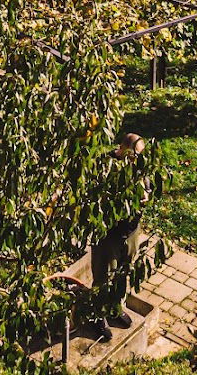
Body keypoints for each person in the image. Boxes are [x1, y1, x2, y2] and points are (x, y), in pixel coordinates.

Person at [88, 132, 148, 342]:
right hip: (108, 235)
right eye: (133, 155)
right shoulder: (105, 167)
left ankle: (115, 307)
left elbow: (147, 188)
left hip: (131, 231)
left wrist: (145, 196)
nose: (136, 160)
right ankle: (98, 315)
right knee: (103, 276)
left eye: (139, 156)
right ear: (122, 150)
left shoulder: (139, 168)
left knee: (124, 271)